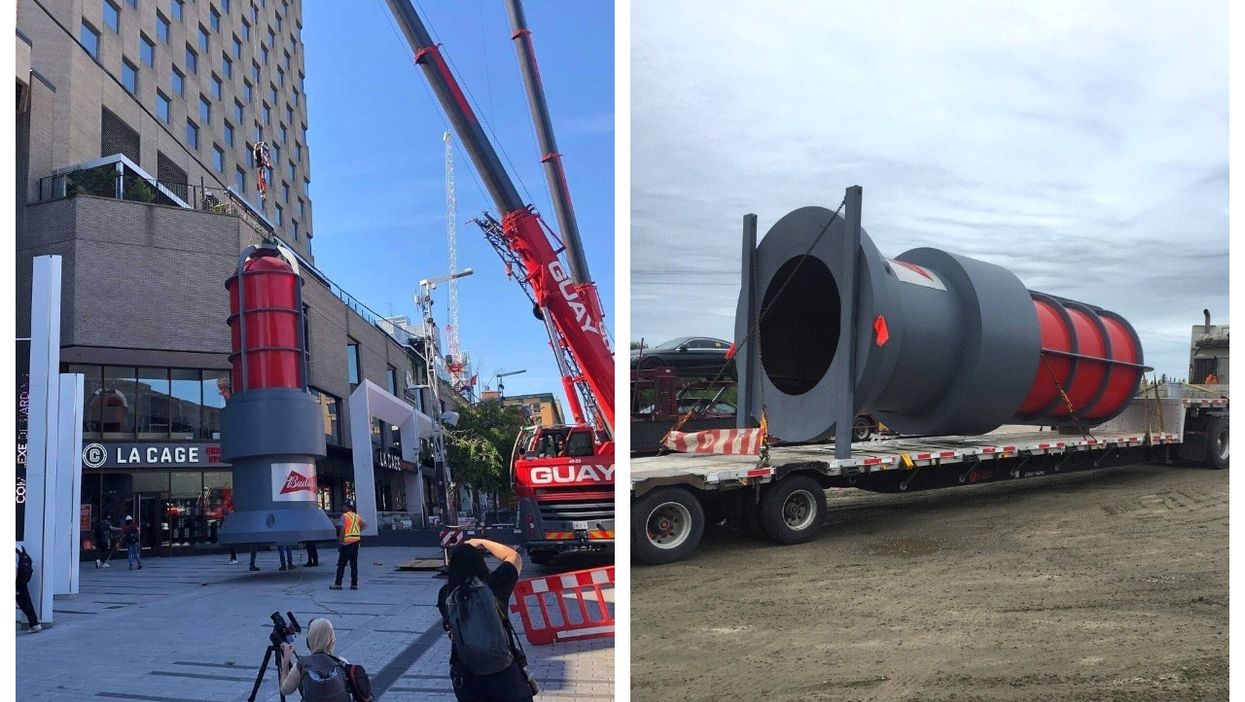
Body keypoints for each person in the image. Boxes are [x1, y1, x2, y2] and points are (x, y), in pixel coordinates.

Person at [437, 539, 532, 702]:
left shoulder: (446, 594)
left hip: (469, 675)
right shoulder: (496, 584)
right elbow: (513, 556)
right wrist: (482, 542)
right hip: (504, 672)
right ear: (480, 562)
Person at [278, 617, 351, 701]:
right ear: (332, 640)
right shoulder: (342, 662)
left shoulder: (301, 665)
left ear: (309, 641)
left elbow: (285, 690)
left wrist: (285, 661)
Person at [330, 501, 366, 591]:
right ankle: (354, 584)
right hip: (356, 542)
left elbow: (342, 530)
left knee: (341, 564)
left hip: (347, 543)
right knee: (354, 564)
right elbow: (365, 524)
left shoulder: (344, 516)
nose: (343, 507)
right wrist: (357, 530)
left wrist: (340, 543)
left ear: (346, 507)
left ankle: (338, 583)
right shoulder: (356, 516)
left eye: (343, 506)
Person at [16, 546, 41, 633]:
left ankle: (34, 624)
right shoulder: (19, 546)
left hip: (17, 581)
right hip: (22, 579)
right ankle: (34, 624)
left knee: (24, 603)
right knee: (25, 602)